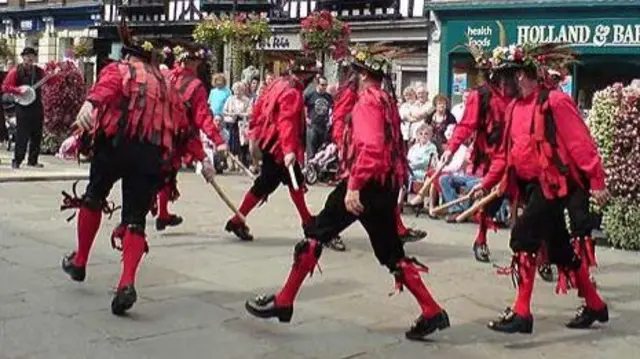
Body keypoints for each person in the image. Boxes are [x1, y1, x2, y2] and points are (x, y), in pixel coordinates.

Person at [244, 44, 448, 340]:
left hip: (364, 185)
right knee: (392, 253)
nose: (350, 77)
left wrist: (353, 186)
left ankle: (285, 300)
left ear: (364, 75)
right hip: (384, 187)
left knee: (315, 235)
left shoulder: (366, 101)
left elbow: (371, 148)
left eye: (354, 72)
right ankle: (431, 310)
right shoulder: (386, 99)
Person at [60, 22, 215, 316]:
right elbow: (184, 127)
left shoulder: (120, 70)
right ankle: (127, 282)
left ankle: (80, 261)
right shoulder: (168, 84)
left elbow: (104, 90)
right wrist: (202, 159)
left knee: (94, 197)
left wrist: (90, 104)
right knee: (135, 219)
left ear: (129, 55)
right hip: (150, 155)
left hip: (115, 146)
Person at [469, 42, 610, 334]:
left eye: (505, 76)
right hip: (530, 186)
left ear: (521, 74)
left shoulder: (555, 101)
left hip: (553, 185)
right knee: (559, 249)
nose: (501, 84)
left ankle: (522, 312)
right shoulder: (514, 108)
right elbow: (504, 155)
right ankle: (595, 305)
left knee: (522, 237)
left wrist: (596, 180)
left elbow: (580, 143)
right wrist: (485, 184)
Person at [435, 42, 513, 262]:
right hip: (493, 157)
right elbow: (466, 125)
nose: (508, 79)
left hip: (519, 155)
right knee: (487, 201)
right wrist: (451, 148)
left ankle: (538, 252)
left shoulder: (519, 95)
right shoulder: (481, 96)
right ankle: (481, 239)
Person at [224, 56, 317, 241]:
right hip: (278, 147)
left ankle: (238, 219)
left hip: (270, 141)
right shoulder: (292, 92)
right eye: (311, 76)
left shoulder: (278, 83)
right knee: (285, 182)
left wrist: (257, 134)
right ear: (305, 75)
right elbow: (286, 122)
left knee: (277, 182)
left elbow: (259, 109)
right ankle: (308, 223)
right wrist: (289, 150)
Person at [332, 64, 427, 244]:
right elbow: (339, 119)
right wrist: (343, 145)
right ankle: (321, 233)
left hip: (372, 152)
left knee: (385, 190)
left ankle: (395, 232)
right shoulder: (353, 94)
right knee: (347, 201)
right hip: (357, 151)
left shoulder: (377, 96)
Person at [153, 43, 228, 231]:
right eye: (198, 62)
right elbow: (202, 117)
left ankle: (162, 214)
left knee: (165, 172)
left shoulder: (167, 76)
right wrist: (218, 141)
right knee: (166, 173)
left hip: (157, 129)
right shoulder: (196, 86)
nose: (199, 65)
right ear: (194, 63)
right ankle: (149, 215)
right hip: (180, 134)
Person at [1, 47, 46, 169]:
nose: (30, 58)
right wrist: (18, 90)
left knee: (37, 134)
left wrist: (55, 75)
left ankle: (33, 160)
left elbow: (50, 82)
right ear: (23, 57)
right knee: (22, 135)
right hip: (22, 106)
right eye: (27, 56)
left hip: (37, 105)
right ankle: (17, 160)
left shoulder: (39, 71)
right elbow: (5, 87)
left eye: (32, 56)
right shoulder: (16, 71)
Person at [304, 75, 333, 160]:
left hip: (323, 126)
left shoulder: (328, 97)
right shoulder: (310, 95)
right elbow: (303, 106)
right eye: (322, 85)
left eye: (326, 85)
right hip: (313, 125)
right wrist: (306, 117)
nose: (324, 87)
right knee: (311, 150)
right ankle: (310, 169)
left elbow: (331, 108)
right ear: (317, 84)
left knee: (321, 151)